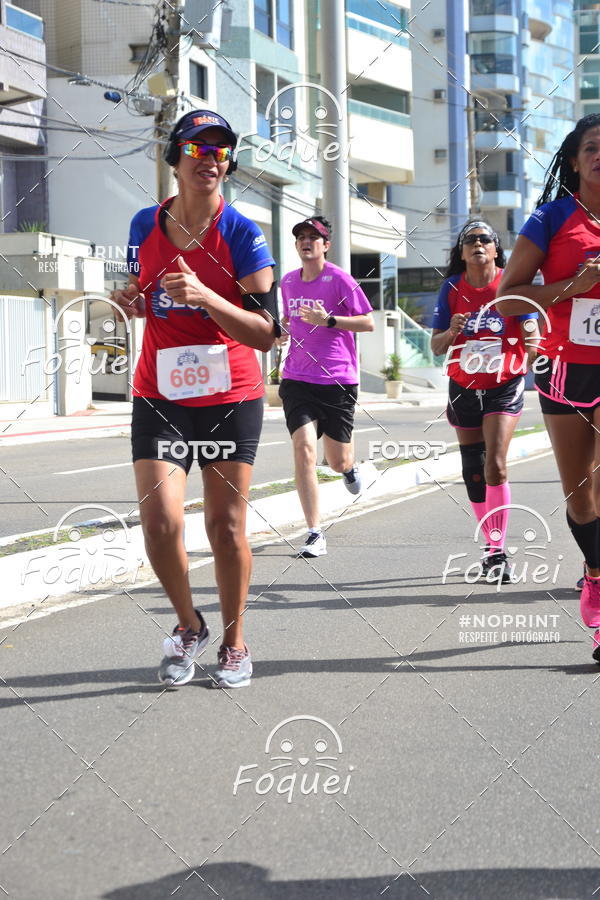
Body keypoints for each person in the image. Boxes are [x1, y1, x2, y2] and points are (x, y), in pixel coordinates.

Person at [112, 109, 278, 688]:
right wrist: (133, 300)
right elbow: (143, 294)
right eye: (198, 148)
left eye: (221, 150)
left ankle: (235, 642)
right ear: (176, 159)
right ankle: (190, 625)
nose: (210, 158)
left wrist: (208, 296)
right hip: (160, 391)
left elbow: (267, 332)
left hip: (230, 393)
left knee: (226, 527)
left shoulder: (243, 233)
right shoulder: (143, 224)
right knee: (159, 522)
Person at [497, 114, 600, 660]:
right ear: (574, 159)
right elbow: (508, 298)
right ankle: (595, 571)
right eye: (591, 147)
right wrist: (570, 287)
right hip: (565, 368)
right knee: (581, 496)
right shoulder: (552, 218)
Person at [431, 221, 539, 582]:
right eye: (470, 240)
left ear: (495, 249)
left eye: (485, 239)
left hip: (503, 383)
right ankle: (491, 548)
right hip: (463, 385)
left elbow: (531, 337)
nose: (478, 244)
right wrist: (452, 331)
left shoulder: (509, 285)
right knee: (474, 470)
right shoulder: (451, 288)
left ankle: (497, 552)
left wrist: (529, 359)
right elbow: (436, 345)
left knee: (496, 464)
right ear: (461, 253)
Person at [278, 216, 374, 557]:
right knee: (303, 449)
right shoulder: (287, 282)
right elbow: (289, 322)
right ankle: (314, 532)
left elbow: (368, 322)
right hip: (297, 379)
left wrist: (329, 320)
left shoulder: (340, 280)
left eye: (313, 237)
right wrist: (283, 328)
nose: (307, 242)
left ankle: (349, 468)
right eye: (301, 237)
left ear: (325, 244)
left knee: (336, 461)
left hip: (337, 381)